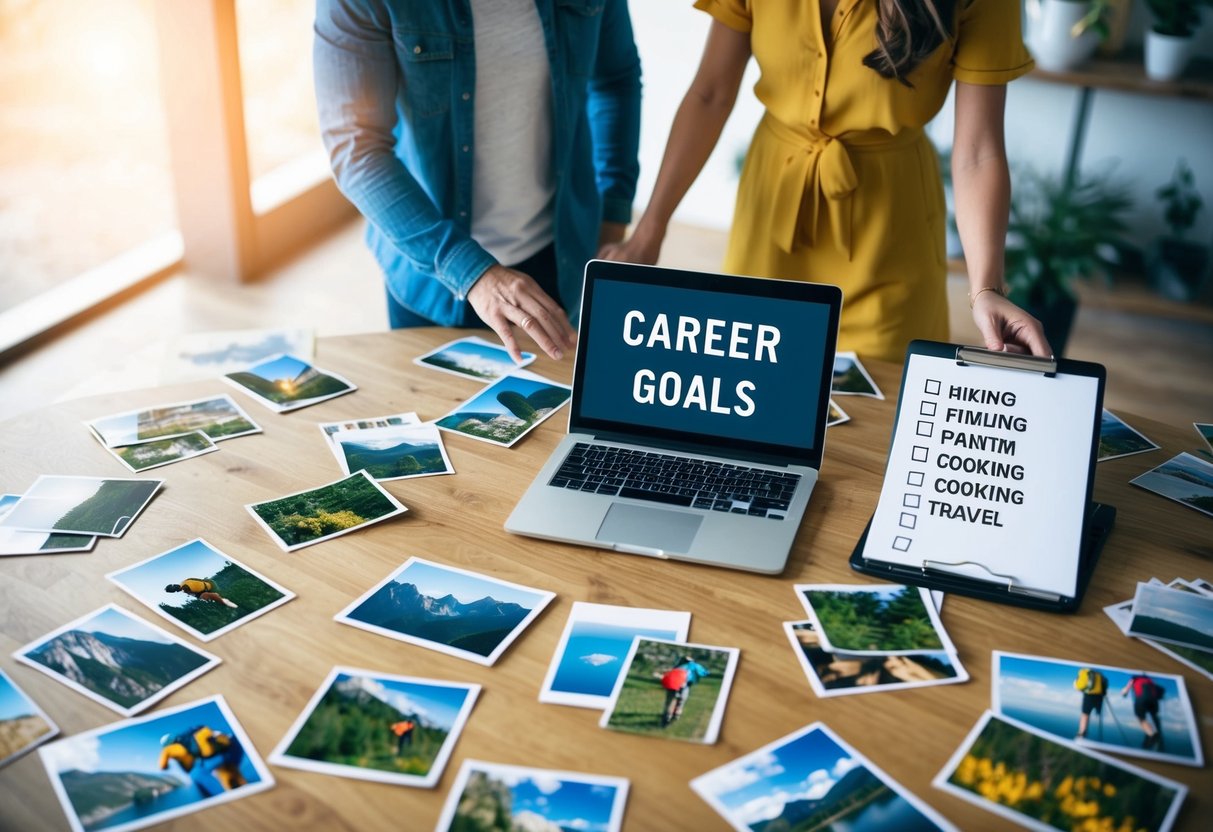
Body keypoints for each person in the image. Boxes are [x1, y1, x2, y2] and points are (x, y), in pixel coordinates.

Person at [600, 1, 1051, 363]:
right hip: (770, 222)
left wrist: (985, 288)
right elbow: (710, 94)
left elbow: (978, 152)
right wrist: (648, 233)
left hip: (889, 237)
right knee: (750, 378)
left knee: (875, 407)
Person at [313, 0, 643, 363]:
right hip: (430, 264)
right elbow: (357, 150)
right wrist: (472, 272)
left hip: (562, 254)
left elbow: (615, 79)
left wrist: (613, 213)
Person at [158, 725, 247, 796]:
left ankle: (231, 795)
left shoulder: (169, 749)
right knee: (233, 774)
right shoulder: (188, 737)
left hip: (210, 761)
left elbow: (163, 766)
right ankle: (244, 787)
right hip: (223, 752)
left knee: (201, 776)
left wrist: (167, 766)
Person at [660, 654, 710, 726]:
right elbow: (703, 673)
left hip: (673, 686)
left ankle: (667, 717)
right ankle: (676, 716)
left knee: (670, 701)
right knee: (681, 701)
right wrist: (707, 672)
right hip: (685, 685)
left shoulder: (678, 665)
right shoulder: (694, 665)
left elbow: (669, 675)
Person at [1121, 672, 1165, 750]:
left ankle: (1152, 735)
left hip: (1141, 698)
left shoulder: (1134, 679)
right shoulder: (1149, 680)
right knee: (1154, 715)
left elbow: (1125, 691)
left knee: (1141, 718)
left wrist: (1124, 693)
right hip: (1154, 700)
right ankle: (1159, 735)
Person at [1073, 666, 1106, 740]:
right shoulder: (1099, 673)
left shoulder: (1084, 670)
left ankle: (1082, 733)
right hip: (1099, 696)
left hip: (1089, 695)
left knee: (1085, 714)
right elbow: (1104, 684)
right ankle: (1097, 735)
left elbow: (1078, 685)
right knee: (1097, 714)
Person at [165, 578, 238, 609]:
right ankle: (222, 600)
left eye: (174, 589)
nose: (175, 589)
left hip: (209, 587)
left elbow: (199, 594)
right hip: (208, 584)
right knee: (204, 596)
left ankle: (224, 601)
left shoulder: (185, 587)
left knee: (205, 596)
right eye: (173, 589)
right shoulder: (185, 581)